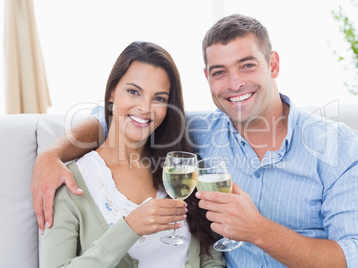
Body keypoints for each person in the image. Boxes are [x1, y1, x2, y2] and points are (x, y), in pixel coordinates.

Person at [32, 14, 358, 268]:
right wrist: (51, 154)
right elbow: (123, 117)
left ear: (273, 64)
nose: (234, 84)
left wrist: (258, 231)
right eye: (219, 72)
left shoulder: (341, 149)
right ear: (207, 78)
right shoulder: (195, 133)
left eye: (247, 65)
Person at [40, 41, 225, 267]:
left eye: (159, 98)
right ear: (111, 94)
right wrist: (129, 228)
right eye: (133, 92)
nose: (145, 108)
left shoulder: (179, 170)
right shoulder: (71, 184)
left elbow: (210, 257)